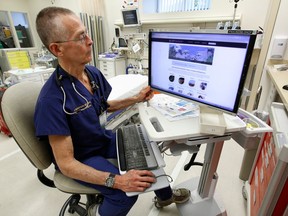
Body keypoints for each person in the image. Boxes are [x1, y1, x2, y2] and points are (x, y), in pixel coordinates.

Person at [34, 7, 190, 216]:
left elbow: (102, 106)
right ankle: (96, 212)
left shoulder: (91, 73)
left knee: (149, 147)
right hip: (82, 156)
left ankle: (165, 197)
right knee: (126, 193)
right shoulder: (52, 100)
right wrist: (116, 181)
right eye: (80, 37)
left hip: (100, 138)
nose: (90, 41)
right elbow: (67, 164)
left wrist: (136, 99)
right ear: (57, 49)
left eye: (87, 33)